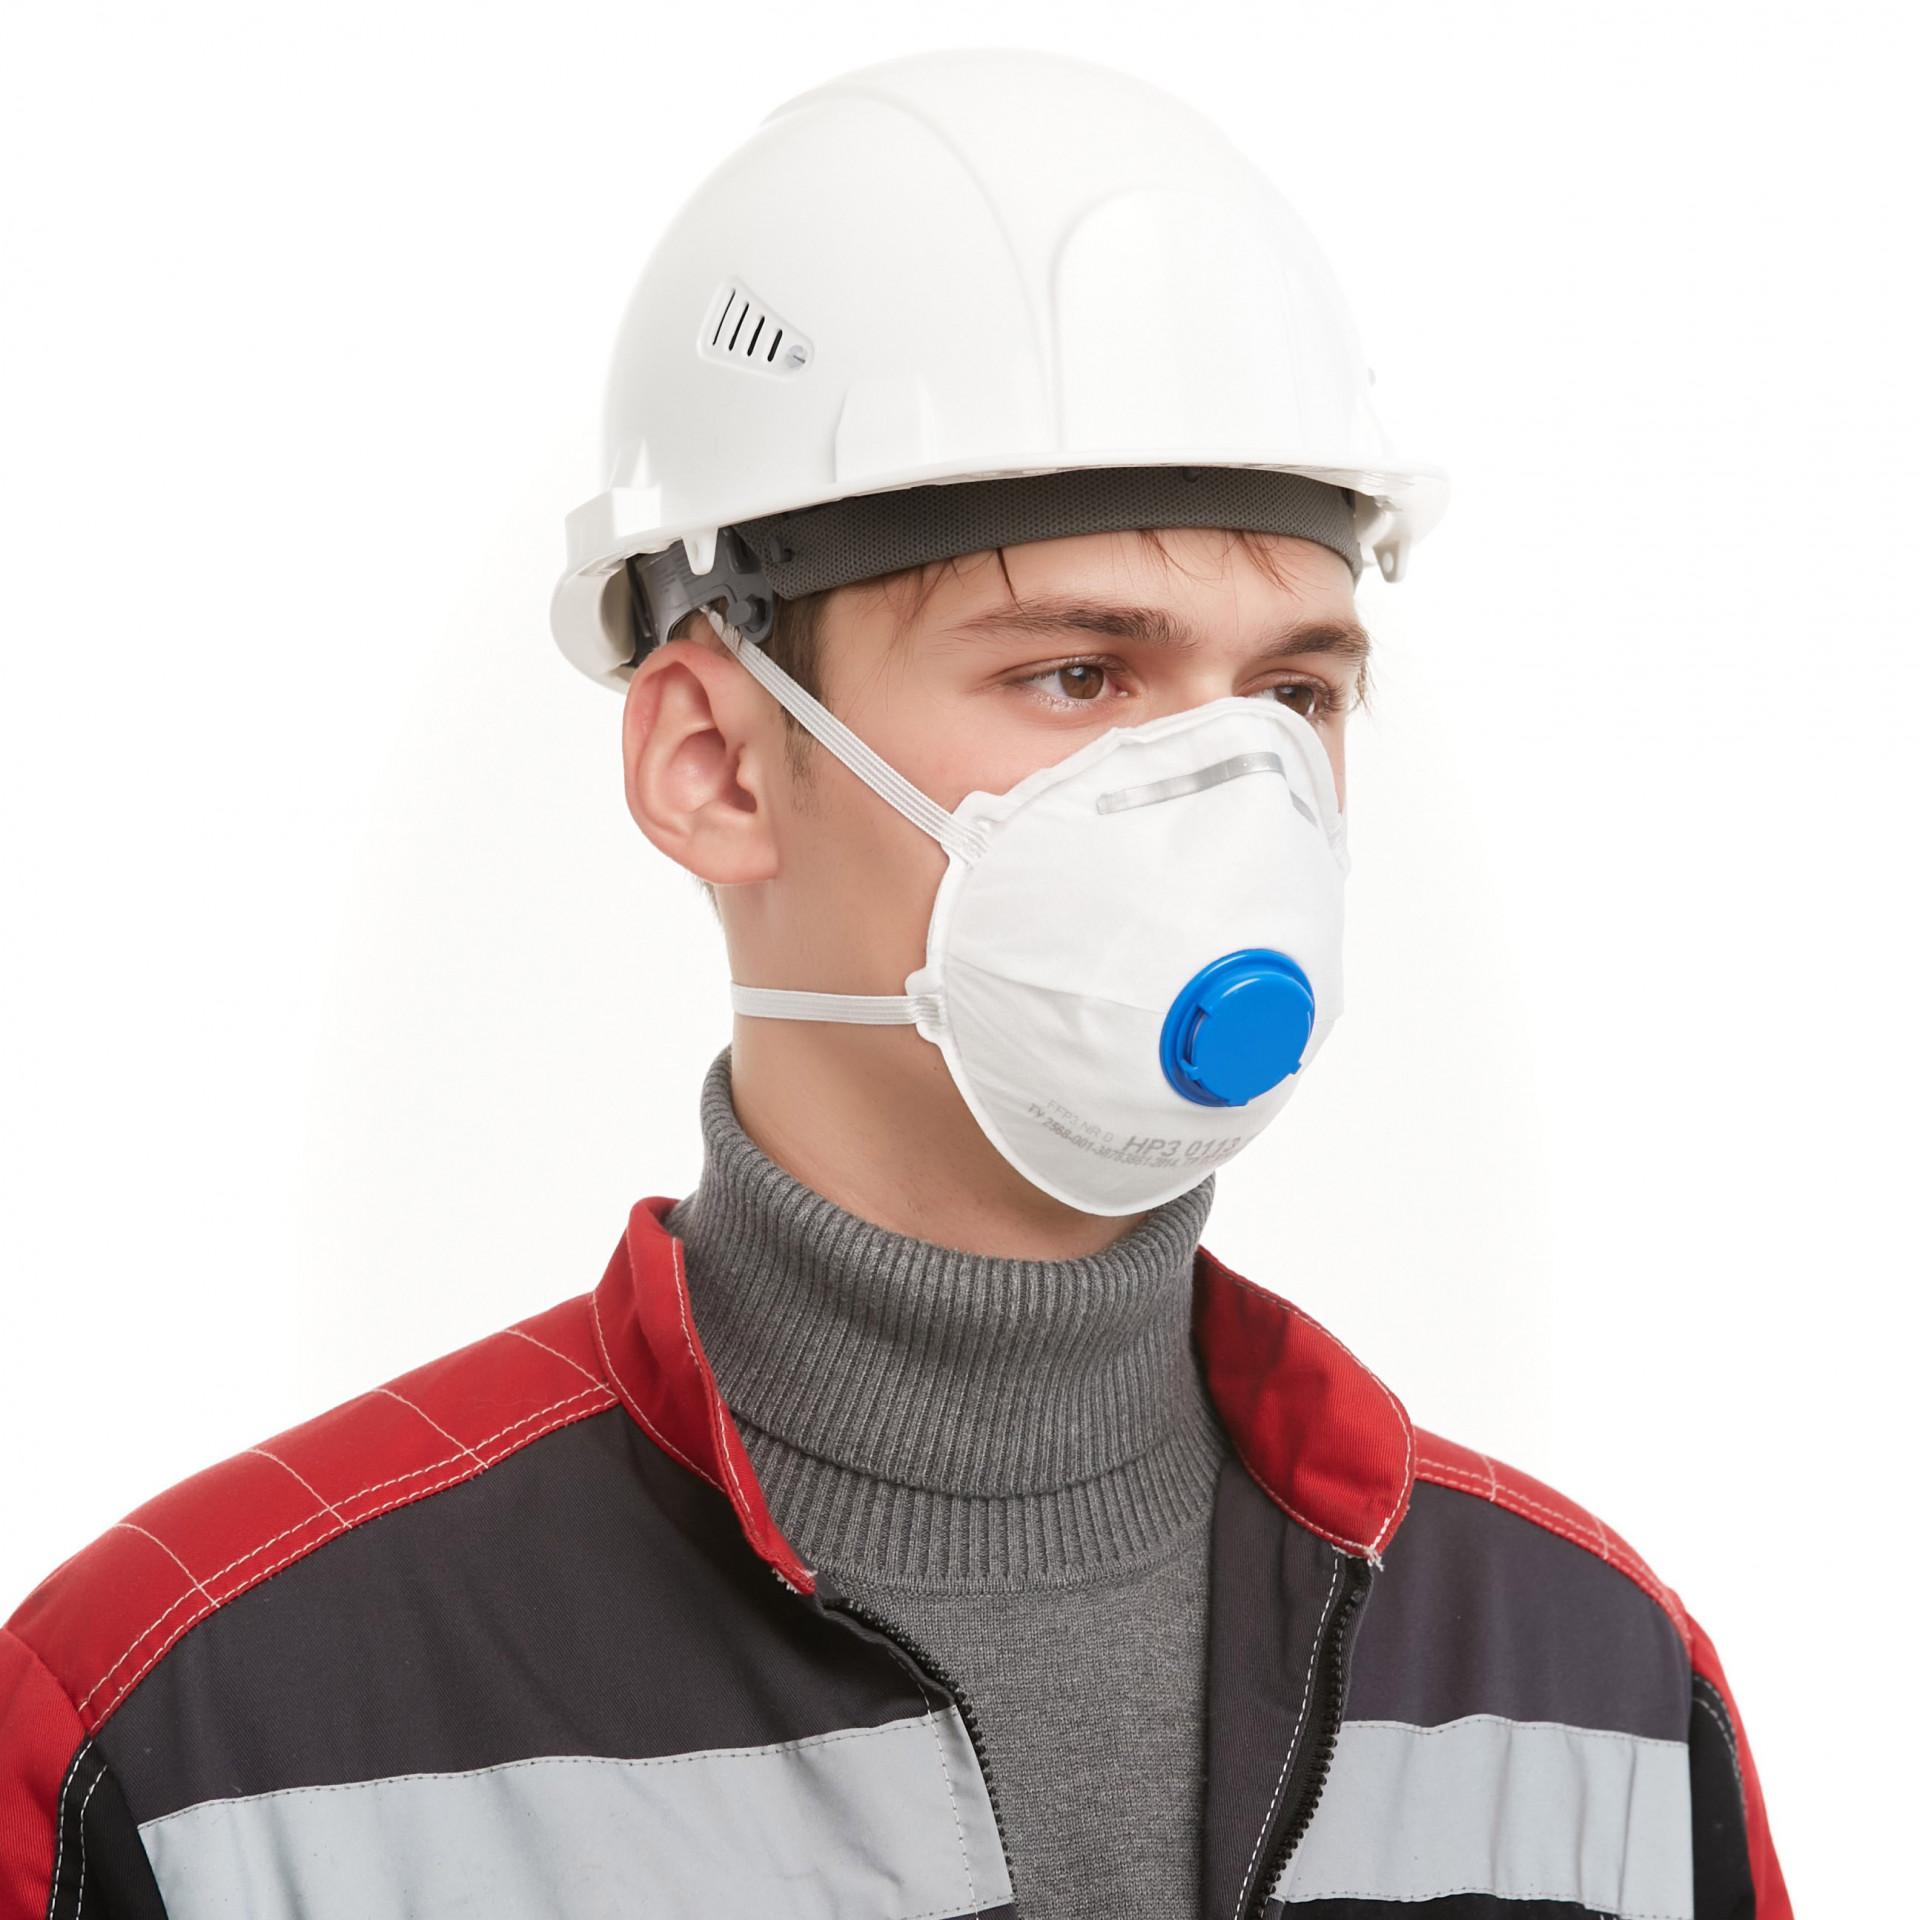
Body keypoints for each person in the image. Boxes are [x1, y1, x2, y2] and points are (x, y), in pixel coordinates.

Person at [0, 45, 1791, 1920]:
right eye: (1078, 676)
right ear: (712, 761)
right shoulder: (201, 1744)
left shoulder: (1597, 1698)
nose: (1228, 806)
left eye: (1293, 694)